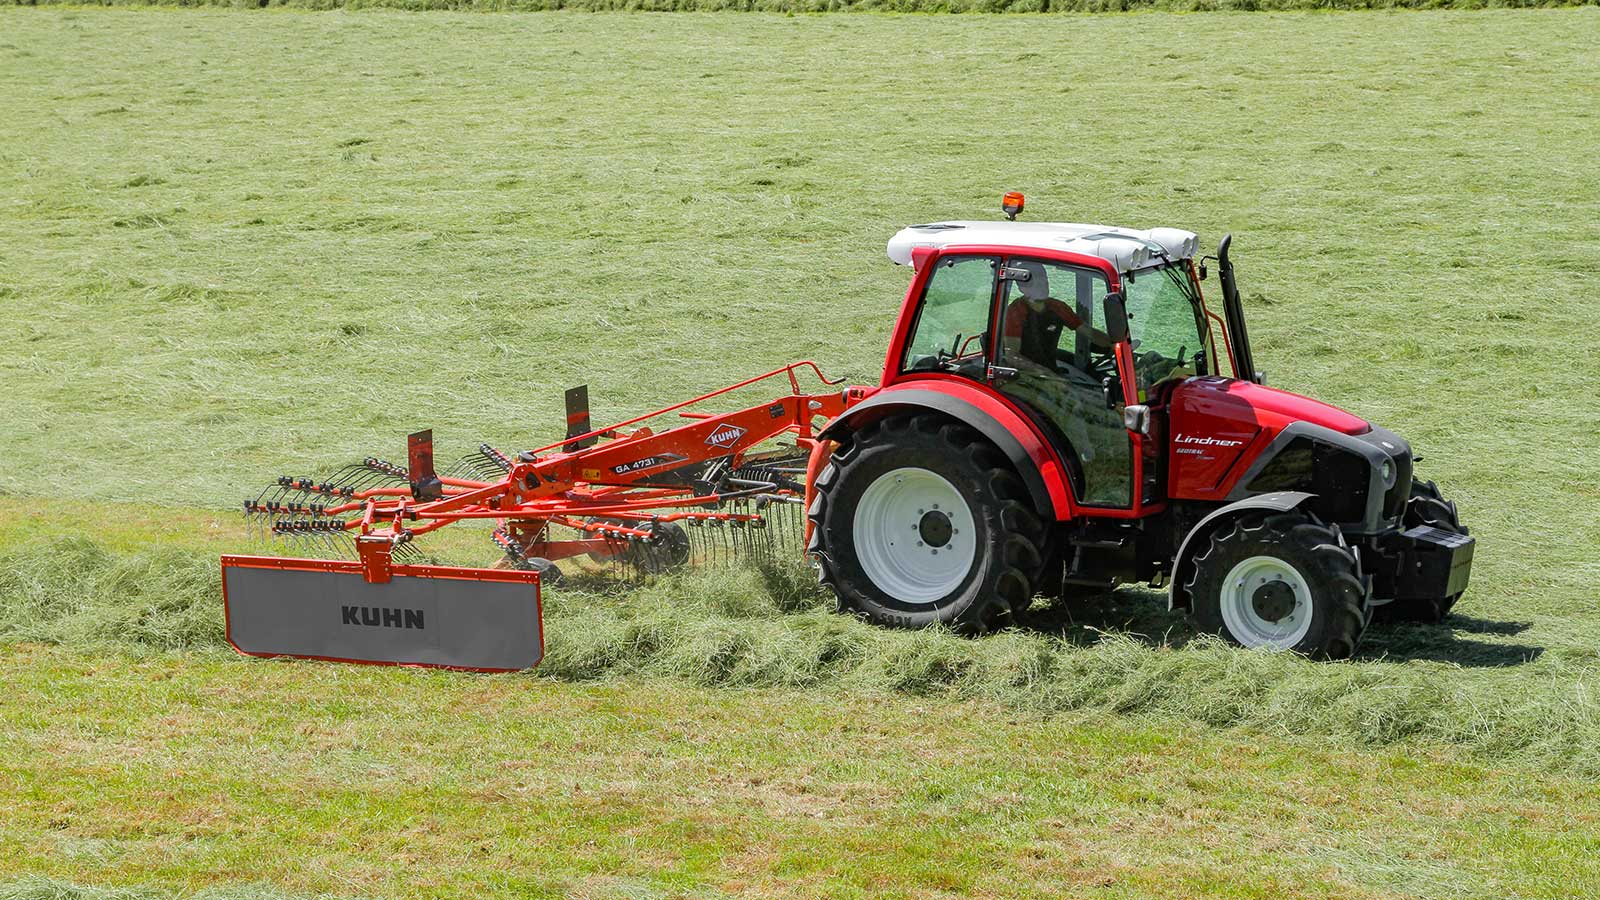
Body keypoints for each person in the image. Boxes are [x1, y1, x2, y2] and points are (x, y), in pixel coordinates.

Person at [1000, 260, 1113, 372]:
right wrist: (1046, 374)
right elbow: (1012, 357)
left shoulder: (1057, 307)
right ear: (1022, 288)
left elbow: (1089, 332)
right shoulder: (1015, 312)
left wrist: (1114, 345)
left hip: (1050, 369)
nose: (1044, 287)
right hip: (1023, 374)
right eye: (1038, 284)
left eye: (1045, 281)